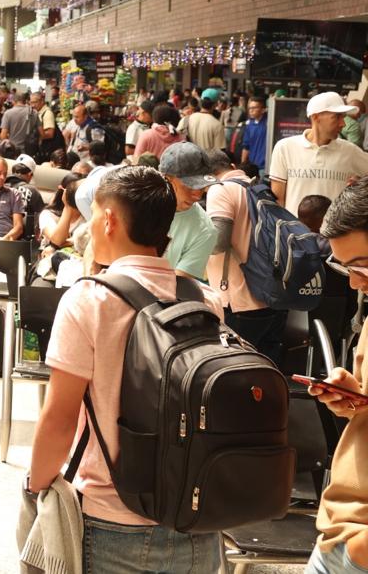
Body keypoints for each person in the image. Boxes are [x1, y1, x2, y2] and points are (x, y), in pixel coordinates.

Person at [27, 165, 224, 572]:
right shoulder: (204, 299)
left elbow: (60, 416)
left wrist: (36, 486)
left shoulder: (89, 300)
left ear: (110, 218)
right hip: (196, 516)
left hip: (112, 518)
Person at [304, 180, 368, 572]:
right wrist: (355, 398)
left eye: (360, 265)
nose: (355, 281)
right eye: (343, 267)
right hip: (340, 531)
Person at [204, 149, 284, 366]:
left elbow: (218, 242)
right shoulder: (260, 188)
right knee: (267, 369)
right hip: (271, 296)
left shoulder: (219, 190)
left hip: (239, 299)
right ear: (231, 167)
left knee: (237, 371)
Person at [270, 92, 368, 216]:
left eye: (343, 117)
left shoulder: (349, 151)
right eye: (337, 117)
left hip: (333, 234)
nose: (343, 123)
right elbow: (278, 201)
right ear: (315, 117)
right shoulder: (284, 148)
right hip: (294, 233)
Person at [159, 142, 218, 281]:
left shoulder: (205, 230)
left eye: (202, 186)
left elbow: (179, 284)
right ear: (167, 178)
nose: (197, 196)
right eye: (190, 186)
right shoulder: (136, 204)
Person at [0, 91, 40, 157]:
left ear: (13, 101)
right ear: (25, 100)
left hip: (13, 151)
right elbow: (42, 133)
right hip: (29, 151)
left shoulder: (8, 113)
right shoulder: (34, 112)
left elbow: (3, 135)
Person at [240, 96, 269, 172]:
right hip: (252, 166)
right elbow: (246, 147)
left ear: (263, 110)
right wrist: (242, 166)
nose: (251, 110)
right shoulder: (249, 125)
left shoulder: (269, 123)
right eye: (250, 108)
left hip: (265, 166)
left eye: (254, 108)